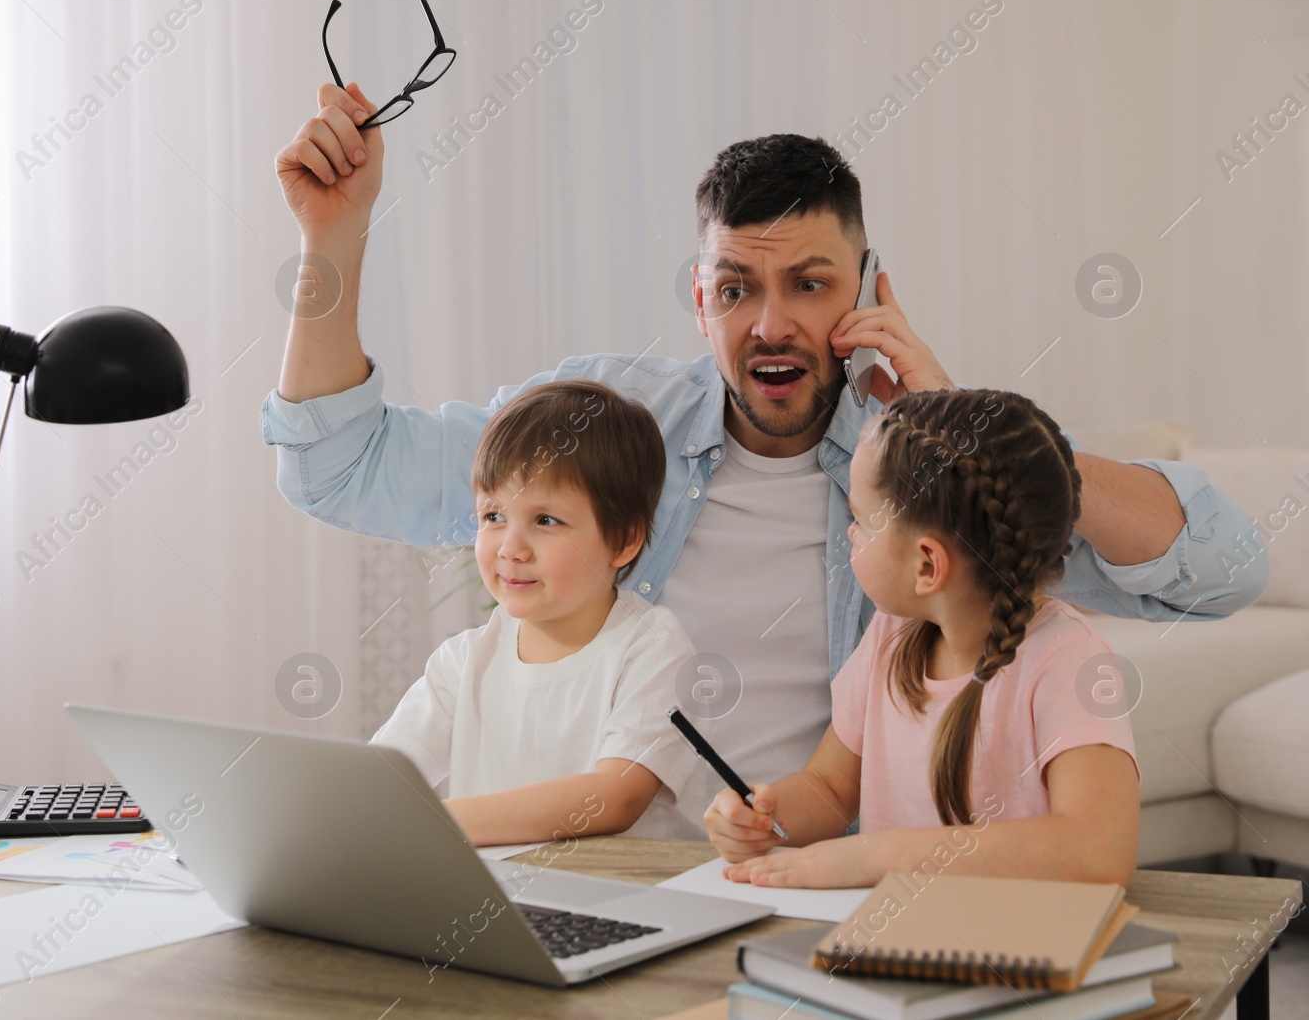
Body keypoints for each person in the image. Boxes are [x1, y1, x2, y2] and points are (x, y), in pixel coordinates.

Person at [265, 81, 1266, 839]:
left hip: (807, 878)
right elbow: (339, 466)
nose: (771, 321)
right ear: (700, 299)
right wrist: (334, 235)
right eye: (737, 287)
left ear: (870, 287)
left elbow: (1222, 569)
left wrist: (966, 432)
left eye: (810, 282)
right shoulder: (612, 426)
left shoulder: (915, 470)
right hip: (606, 869)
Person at [707, 388, 1139, 887]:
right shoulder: (893, 638)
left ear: (928, 565)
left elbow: (1098, 852)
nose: (850, 534)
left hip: (1011, 954)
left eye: (862, 521)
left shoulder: (1068, 661)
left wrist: (877, 856)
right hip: (892, 943)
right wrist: (768, 817)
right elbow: (829, 787)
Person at [370, 379, 699, 845]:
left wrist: (432, 824)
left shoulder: (651, 647)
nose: (512, 548)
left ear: (623, 539)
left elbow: (613, 797)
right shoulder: (462, 662)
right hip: (498, 899)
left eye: (546, 521)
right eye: (493, 516)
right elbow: (382, 779)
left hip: (623, 892)